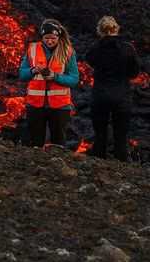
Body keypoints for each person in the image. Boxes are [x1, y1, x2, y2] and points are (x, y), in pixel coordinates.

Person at [84, 15, 140, 162]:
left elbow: (90, 61)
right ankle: (121, 166)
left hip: (100, 95)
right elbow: (134, 72)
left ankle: (98, 164)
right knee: (120, 135)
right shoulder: (127, 48)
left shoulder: (95, 49)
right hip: (121, 96)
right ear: (116, 29)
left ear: (99, 31)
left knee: (100, 133)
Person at [18, 18, 79, 147]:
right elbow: (22, 75)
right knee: (35, 143)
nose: (49, 41)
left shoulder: (68, 52)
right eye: (46, 38)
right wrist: (33, 70)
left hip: (59, 107)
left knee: (58, 145)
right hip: (35, 105)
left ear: (58, 37)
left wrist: (55, 77)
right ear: (42, 37)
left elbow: (74, 79)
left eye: (53, 38)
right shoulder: (32, 49)